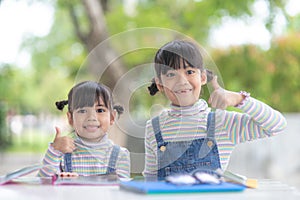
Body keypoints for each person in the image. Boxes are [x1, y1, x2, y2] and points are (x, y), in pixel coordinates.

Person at [143, 39, 287, 179]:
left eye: (190, 72)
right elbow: (150, 179)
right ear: (160, 84)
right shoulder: (154, 128)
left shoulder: (222, 122)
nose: (182, 81)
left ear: (203, 77)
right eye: (171, 74)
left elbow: (277, 125)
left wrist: (239, 99)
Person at [38, 81, 130, 178]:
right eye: (82, 111)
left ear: (112, 117)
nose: (91, 117)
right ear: (70, 118)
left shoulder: (120, 155)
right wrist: (54, 151)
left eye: (100, 110)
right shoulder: (61, 153)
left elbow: (122, 191)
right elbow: (43, 183)